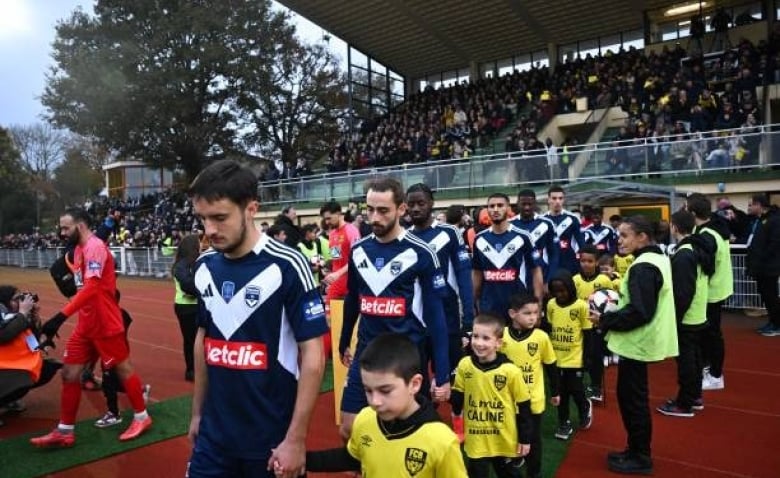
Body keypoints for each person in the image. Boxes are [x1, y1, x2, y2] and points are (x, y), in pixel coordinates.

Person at [186, 159, 328, 478]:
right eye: (203, 219)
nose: (209, 230)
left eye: (220, 218)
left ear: (251, 209)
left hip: (270, 444)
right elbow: (203, 341)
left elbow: (314, 356)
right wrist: (197, 414)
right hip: (213, 440)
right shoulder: (206, 265)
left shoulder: (289, 264)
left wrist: (296, 438)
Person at [339, 176, 451, 442]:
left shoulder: (422, 253)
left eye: (383, 210)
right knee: (349, 429)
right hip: (367, 352)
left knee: (407, 436)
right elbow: (353, 299)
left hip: (406, 356)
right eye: (369, 210)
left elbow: (436, 316)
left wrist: (443, 373)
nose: (374, 217)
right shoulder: (358, 250)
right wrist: (344, 341)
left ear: (401, 209)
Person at [32, 207, 152, 447]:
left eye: (66, 227)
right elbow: (81, 291)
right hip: (86, 325)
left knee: (122, 369)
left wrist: (59, 317)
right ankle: (65, 431)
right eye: (61, 228)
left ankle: (142, 417)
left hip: (105, 323)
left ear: (81, 225)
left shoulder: (95, 247)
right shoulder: (77, 250)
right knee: (69, 373)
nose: (62, 232)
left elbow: (92, 289)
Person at [303, 333, 468, 477]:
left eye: (385, 390)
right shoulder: (365, 418)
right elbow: (353, 457)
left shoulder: (442, 441)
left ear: (414, 384)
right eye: (368, 390)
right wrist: (303, 460)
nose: (375, 401)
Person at [589, 215, 678, 475]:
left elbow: (640, 311)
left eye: (625, 235)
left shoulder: (643, 267)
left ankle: (640, 456)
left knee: (633, 401)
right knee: (632, 399)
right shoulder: (657, 258)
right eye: (619, 235)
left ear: (642, 237)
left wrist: (605, 318)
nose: (620, 240)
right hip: (642, 341)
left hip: (639, 342)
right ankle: (635, 449)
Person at [451, 313, 532, 478]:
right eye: (475, 336)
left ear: (498, 343)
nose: (479, 343)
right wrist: (450, 403)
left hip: (503, 439)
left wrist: (524, 438)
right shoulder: (465, 365)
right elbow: (458, 394)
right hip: (476, 440)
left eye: (486, 338)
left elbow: (524, 406)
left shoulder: (511, 371)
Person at [406, 183, 474, 369]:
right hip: (416, 323)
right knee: (418, 386)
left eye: (421, 203)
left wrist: (468, 318)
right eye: (411, 204)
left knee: (453, 384)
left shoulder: (449, 233)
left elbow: (464, 278)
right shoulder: (404, 238)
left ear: (431, 203)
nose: (416, 208)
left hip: (448, 318)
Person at [657, 210, 713, 417]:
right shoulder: (696, 247)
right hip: (698, 313)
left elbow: (683, 292)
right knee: (694, 358)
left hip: (687, 316)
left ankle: (685, 403)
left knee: (687, 361)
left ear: (674, 227)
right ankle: (694, 396)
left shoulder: (684, 254)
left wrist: (674, 317)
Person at [500, 294, 559, 478]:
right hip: (507, 400)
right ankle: (514, 459)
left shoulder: (541, 337)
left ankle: (534, 472)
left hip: (533, 400)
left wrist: (556, 391)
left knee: (533, 439)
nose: (533, 317)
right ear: (512, 314)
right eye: (527, 313)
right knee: (509, 435)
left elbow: (551, 365)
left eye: (536, 312)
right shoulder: (501, 336)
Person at [473, 193, 544, 323]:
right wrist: (473, 304)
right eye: (491, 206)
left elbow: (536, 271)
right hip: (489, 306)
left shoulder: (523, 237)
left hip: (518, 306)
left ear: (508, 208)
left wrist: (538, 305)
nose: (495, 209)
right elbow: (477, 273)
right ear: (487, 210)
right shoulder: (480, 239)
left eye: (500, 205)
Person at [687, 193, 733, 391]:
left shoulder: (708, 235)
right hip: (716, 287)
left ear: (693, 212)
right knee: (708, 333)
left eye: (686, 208)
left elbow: (708, 266)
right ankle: (709, 367)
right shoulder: (708, 228)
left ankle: (716, 375)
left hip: (712, 290)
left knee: (712, 334)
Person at [0, 287, 62, 425]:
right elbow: (3, 336)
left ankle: (7, 400)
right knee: (22, 378)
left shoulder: (16, 317)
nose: (22, 302)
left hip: (7, 367)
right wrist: (22, 314)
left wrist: (33, 319)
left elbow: (31, 341)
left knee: (46, 368)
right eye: (16, 299)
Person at [547, 269, 594, 440]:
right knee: (560, 393)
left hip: (575, 358)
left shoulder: (581, 306)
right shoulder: (551, 305)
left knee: (575, 389)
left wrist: (587, 357)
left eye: (563, 290)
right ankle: (564, 422)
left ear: (571, 288)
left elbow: (587, 333)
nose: (560, 294)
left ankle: (584, 408)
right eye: (556, 291)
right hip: (556, 358)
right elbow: (550, 327)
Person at [94, 291, 152, 427]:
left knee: (109, 381)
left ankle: (113, 413)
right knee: (115, 379)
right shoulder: (122, 314)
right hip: (118, 351)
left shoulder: (112, 316)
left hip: (113, 353)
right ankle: (140, 391)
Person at [573, 245, 614, 403]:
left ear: (596, 262)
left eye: (590, 261)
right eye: (583, 261)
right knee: (581, 355)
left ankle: (596, 387)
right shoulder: (575, 279)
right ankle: (579, 383)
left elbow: (611, 300)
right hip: (579, 325)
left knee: (595, 356)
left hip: (596, 325)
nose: (586, 264)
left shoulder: (603, 280)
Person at [746, 194, 780, 336]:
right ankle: (773, 322)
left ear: (759, 205)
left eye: (751, 204)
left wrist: (761, 258)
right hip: (762, 267)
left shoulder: (774, 220)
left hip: (769, 267)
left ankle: (777, 324)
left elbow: (774, 243)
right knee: (766, 295)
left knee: (770, 296)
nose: (749, 207)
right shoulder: (761, 220)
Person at [511, 189, 559, 284]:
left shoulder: (547, 224)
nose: (527, 208)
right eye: (523, 204)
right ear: (518, 204)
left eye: (530, 204)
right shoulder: (510, 225)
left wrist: (550, 280)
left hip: (542, 276)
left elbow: (554, 254)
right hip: (516, 280)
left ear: (535, 204)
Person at [172, 234, 201, 382]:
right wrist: (203, 290)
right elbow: (187, 286)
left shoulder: (195, 262)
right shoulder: (182, 265)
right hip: (186, 307)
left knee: (197, 340)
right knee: (190, 340)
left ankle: (196, 368)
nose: (201, 245)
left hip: (194, 305)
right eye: (198, 243)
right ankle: (191, 370)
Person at [319, 200, 360, 302]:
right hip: (336, 284)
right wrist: (329, 272)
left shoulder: (351, 230)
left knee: (350, 317)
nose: (327, 222)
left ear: (338, 214)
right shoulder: (332, 234)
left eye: (329, 218)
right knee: (330, 316)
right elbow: (337, 258)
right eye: (325, 219)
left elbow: (357, 258)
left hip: (351, 284)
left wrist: (338, 274)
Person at [544, 186, 585, 275]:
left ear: (564, 200)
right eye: (554, 198)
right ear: (548, 200)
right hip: (548, 264)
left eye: (560, 198)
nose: (557, 201)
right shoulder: (542, 220)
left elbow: (582, 244)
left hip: (569, 264)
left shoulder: (573, 219)